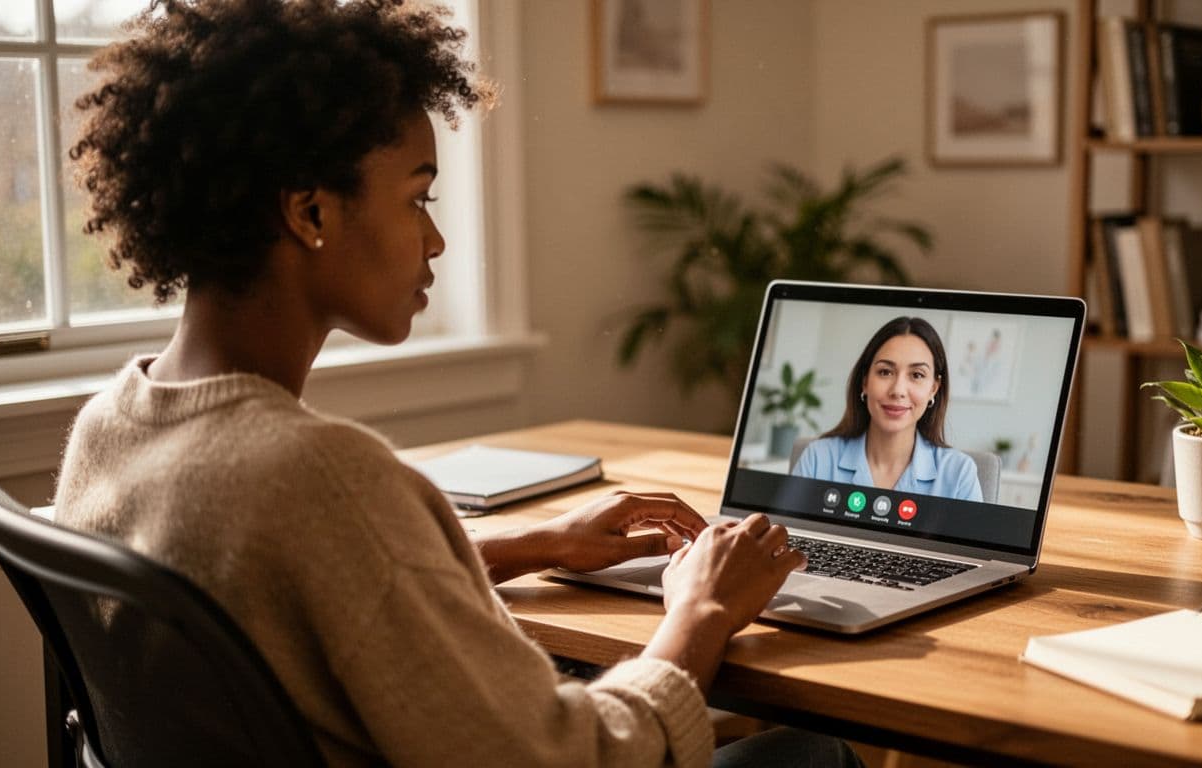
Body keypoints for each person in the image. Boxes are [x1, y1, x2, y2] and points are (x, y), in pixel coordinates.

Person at [52, 2, 861, 766]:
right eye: (418, 197)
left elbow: (303, 575)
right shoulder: (322, 478)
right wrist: (704, 609)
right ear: (309, 213)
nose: (436, 239)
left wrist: (534, 542)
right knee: (810, 753)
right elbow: (579, 759)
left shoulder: (110, 427)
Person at [792, 317, 982, 502]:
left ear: (934, 388)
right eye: (885, 372)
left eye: (916, 375)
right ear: (865, 381)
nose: (898, 390)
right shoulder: (818, 457)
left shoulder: (959, 473)